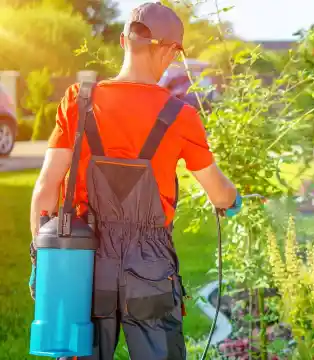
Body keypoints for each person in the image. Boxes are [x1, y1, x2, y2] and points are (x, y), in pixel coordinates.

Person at [28, 3, 240, 359]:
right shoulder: (180, 116)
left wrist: (43, 262)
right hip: (151, 268)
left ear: (124, 40)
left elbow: (45, 189)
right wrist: (231, 199)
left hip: (83, 262)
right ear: (172, 51)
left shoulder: (79, 101)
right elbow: (218, 191)